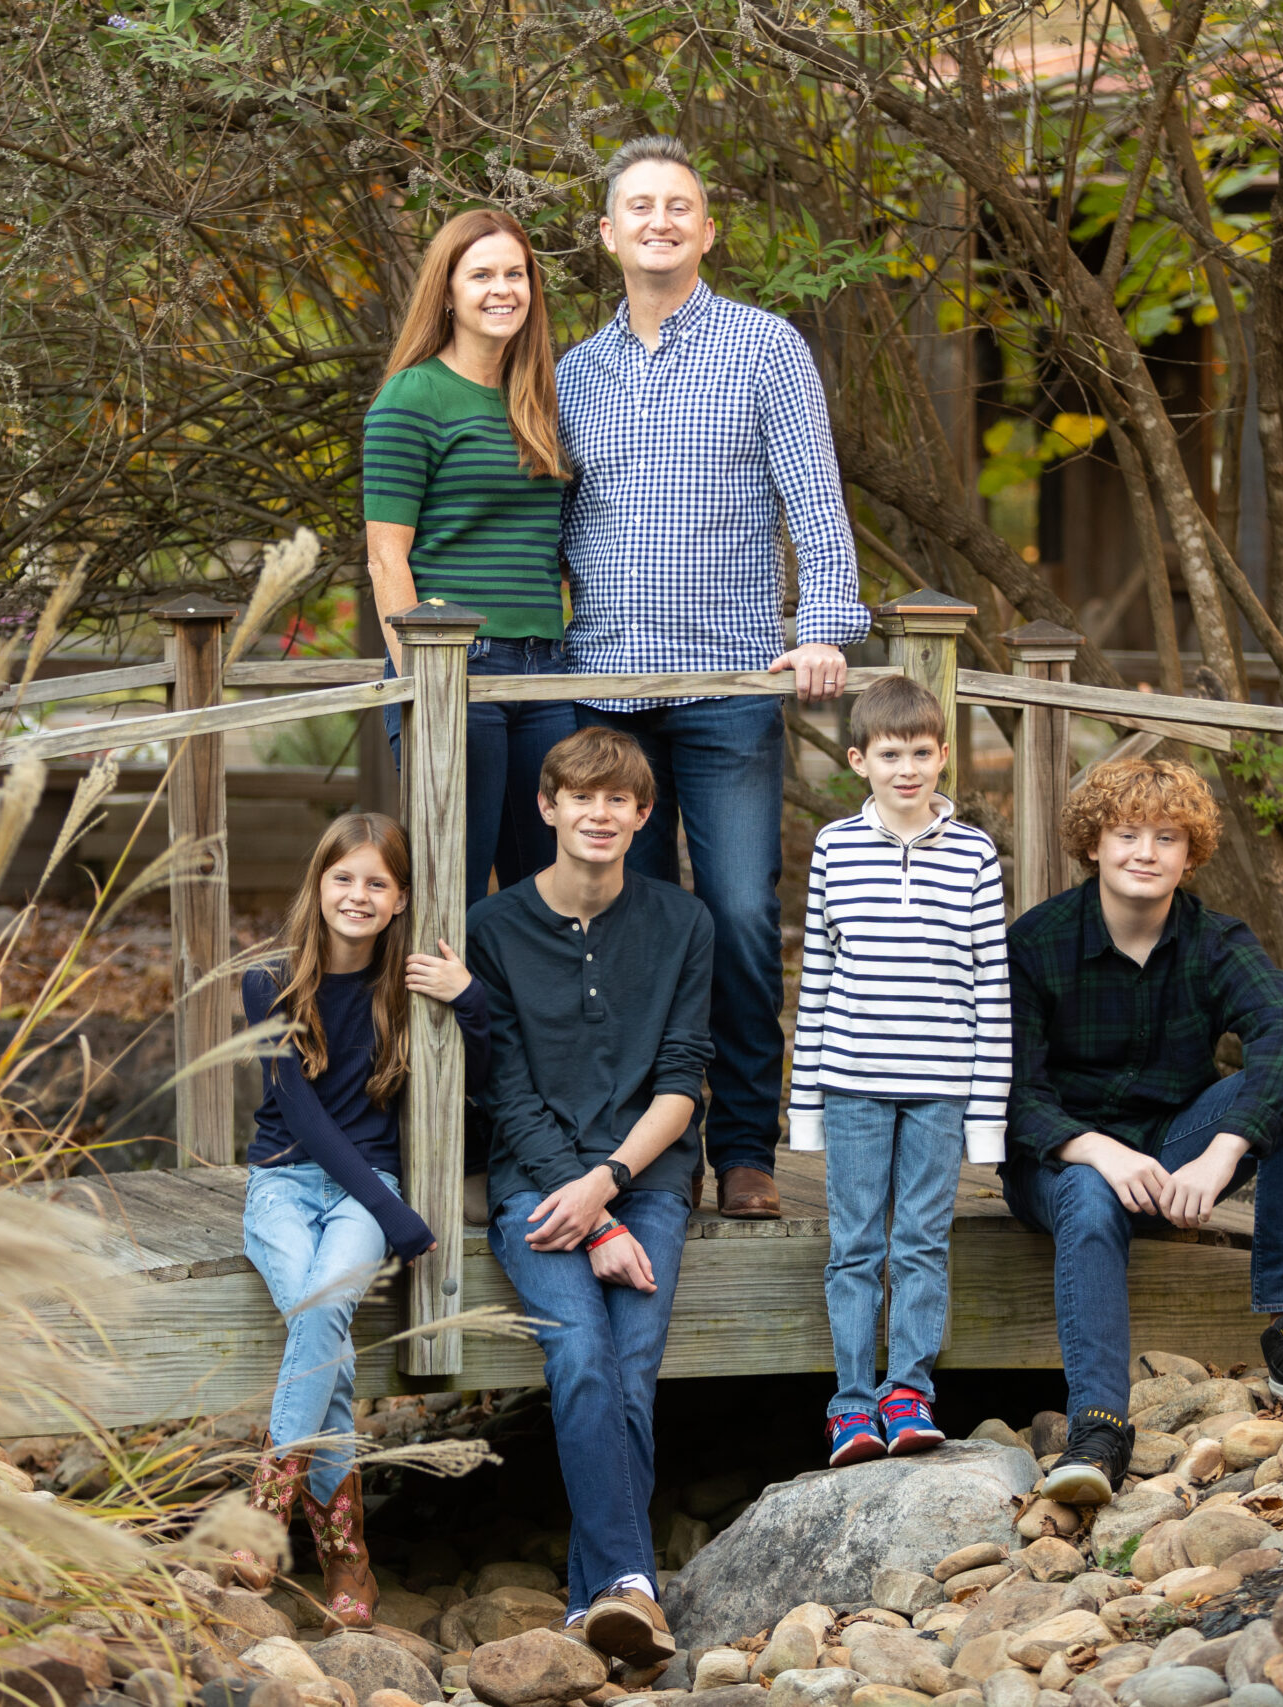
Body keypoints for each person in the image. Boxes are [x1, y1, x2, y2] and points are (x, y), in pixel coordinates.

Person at [556, 135, 870, 1221]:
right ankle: (640, 1145)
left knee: (737, 913)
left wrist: (824, 624)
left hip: (733, 686)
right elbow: (548, 526)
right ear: (607, 234)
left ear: (705, 227)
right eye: (636, 207)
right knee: (626, 923)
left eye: (677, 206)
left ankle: (742, 1145)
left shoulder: (763, 347)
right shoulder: (569, 374)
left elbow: (814, 503)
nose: (658, 221)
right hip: (605, 693)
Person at [1000, 758, 1283, 1507]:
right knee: (1086, 1188)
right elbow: (1008, 1088)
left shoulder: (1212, 939)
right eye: (1127, 833)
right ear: (1093, 844)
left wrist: (1224, 1146)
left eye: (1166, 836)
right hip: (1060, 1165)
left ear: (1190, 852)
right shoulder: (1037, 943)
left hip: (1174, 1152)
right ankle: (1101, 1429)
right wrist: (1094, 1147)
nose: (1145, 851)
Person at [466, 726, 714, 1675]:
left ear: (644, 816)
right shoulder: (493, 930)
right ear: (548, 807)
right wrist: (589, 1216)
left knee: (633, 1360)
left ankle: (604, 1595)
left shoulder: (682, 922)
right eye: (583, 797)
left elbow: (684, 1080)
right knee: (580, 1355)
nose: (601, 814)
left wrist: (611, 1192)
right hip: (533, 1186)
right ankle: (629, 1586)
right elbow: (507, 1093)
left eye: (620, 801)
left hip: (646, 1177)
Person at [236, 813, 490, 1628]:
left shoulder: (407, 990)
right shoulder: (267, 983)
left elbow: (487, 1064)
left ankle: (264, 1510)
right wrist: (399, 1217)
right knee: (327, 1328)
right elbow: (302, 1119)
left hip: (364, 1189)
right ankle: (348, 1558)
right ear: (318, 885)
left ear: (400, 898)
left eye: (376, 882)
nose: (357, 894)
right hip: (282, 1184)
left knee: (320, 1307)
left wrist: (471, 997)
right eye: (343, 877)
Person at [788, 676, 1010, 1468]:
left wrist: (987, 1118)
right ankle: (851, 1403)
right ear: (860, 760)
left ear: (943, 755)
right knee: (854, 1243)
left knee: (920, 1239)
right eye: (890, 754)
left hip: (942, 1087)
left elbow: (992, 988)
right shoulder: (836, 848)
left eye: (922, 752)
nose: (907, 768)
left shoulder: (975, 853)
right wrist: (804, 1106)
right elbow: (817, 977)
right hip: (851, 1080)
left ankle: (908, 1389)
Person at [364, 208, 575, 911]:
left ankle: (517, 1027)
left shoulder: (538, 398)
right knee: (448, 884)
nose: (502, 289)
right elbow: (385, 558)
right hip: (457, 665)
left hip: (545, 672)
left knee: (544, 893)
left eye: (515, 274)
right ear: (447, 291)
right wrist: (421, 679)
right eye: (481, 274)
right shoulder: (412, 395)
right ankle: (428, 1027)